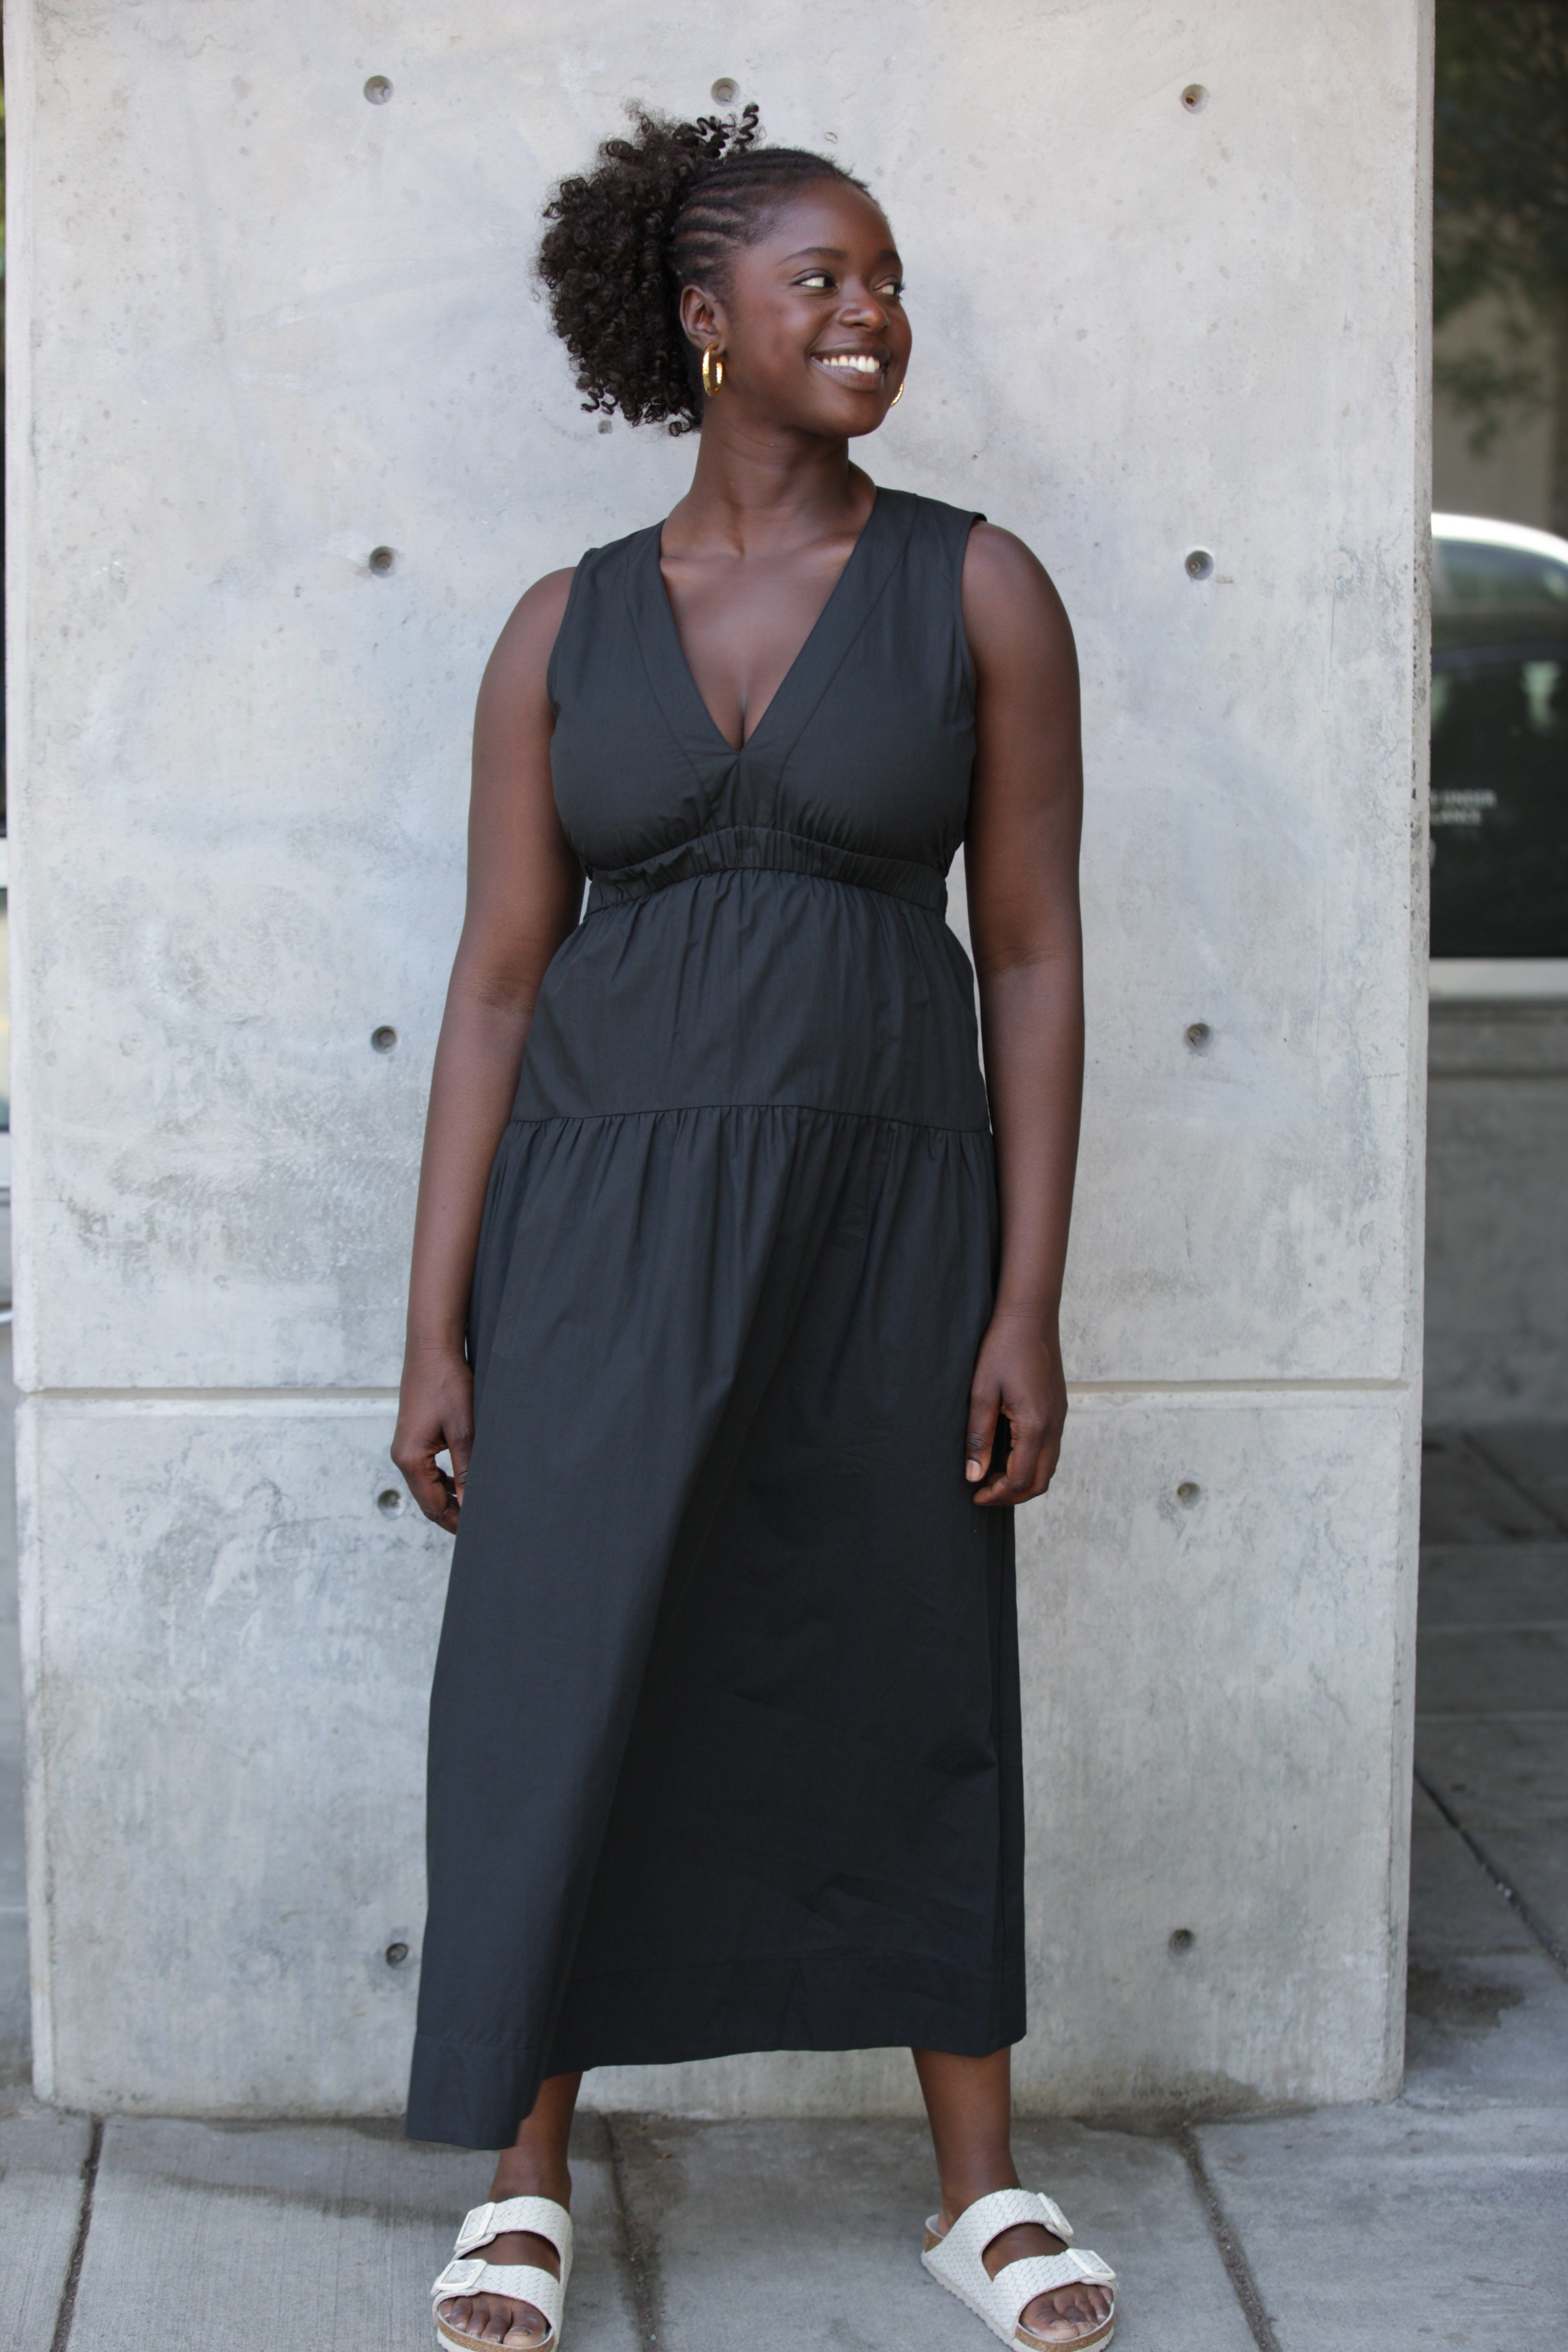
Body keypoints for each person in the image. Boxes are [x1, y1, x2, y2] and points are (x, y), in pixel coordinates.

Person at [392, 103, 1112, 2352]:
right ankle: (524, 2183)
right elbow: (495, 984)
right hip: (595, 1226)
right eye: (825, 278)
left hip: (882, 1215)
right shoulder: (562, 626)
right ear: (707, 322)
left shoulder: (976, 588)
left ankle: (978, 2195)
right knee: (560, 1672)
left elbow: (1035, 954)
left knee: (907, 1663)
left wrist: (1027, 1296)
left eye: (886, 278)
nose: (872, 312)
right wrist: (436, 1330)